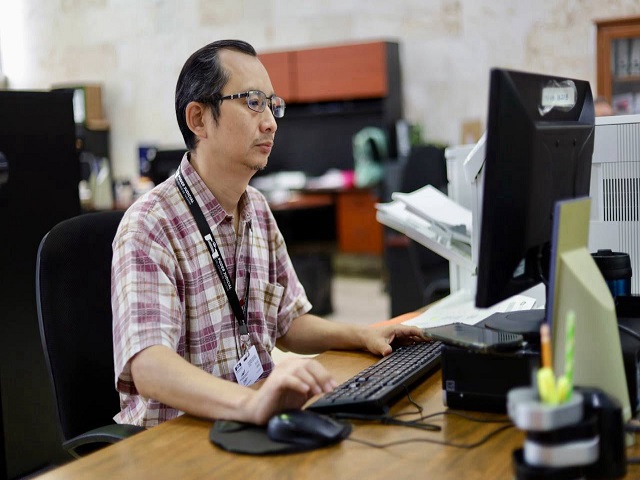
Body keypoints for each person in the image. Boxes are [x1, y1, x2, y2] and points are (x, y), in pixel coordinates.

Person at [112, 39, 428, 428]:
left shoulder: (257, 209)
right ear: (198, 119)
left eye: (271, 105)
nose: (271, 123)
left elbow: (288, 323)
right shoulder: (151, 224)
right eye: (252, 102)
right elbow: (149, 367)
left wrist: (363, 334)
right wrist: (250, 404)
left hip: (251, 420)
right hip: (177, 436)